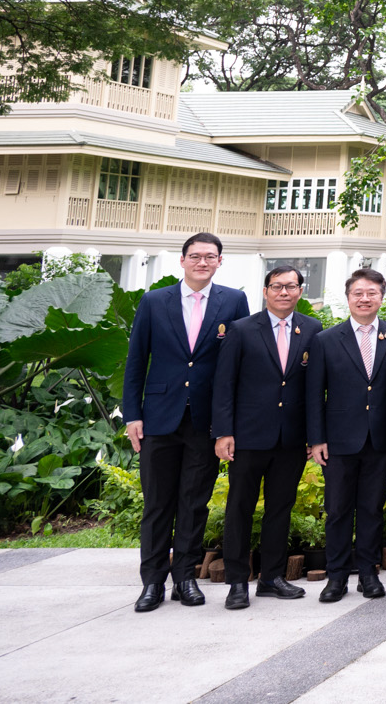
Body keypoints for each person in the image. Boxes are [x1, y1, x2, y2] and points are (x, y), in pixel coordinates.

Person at [121, 232, 252, 612]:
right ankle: (152, 583)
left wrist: (230, 424)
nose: (202, 263)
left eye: (210, 257)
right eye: (195, 256)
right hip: (159, 417)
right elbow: (135, 362)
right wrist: (133, 415)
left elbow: (240, 363)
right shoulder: (153, 301)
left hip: (205, 420)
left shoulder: (233, 301)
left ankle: (185, 578)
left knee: (194, 503)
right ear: (182, 261)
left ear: (220, 262)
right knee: (158, 504)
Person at [212, 264, 321, 608]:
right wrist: (223, 433)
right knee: (239, 508)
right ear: (266, 291)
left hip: (290, 439)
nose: (284, 292)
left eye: (291, 286)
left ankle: (272, 578)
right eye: (277, 286)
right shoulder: (242, 330)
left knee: (280, 509)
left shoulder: (313, 329)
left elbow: (315, 389)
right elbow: (224, 384)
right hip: (247, 436)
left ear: (300, 291)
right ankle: (236, 582)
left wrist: (314, 436)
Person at [306, 267, 386, 603]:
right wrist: (316, 439)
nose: (364, 298)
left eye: (371, 293)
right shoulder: (326, 340)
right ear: (348, 298)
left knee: (372, 509)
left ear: (381, 297)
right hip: (339, 440)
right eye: (358, 293)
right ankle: (337, 576)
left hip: (380, 439)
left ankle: (369, 573)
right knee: (339, 509)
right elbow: (315, 393)